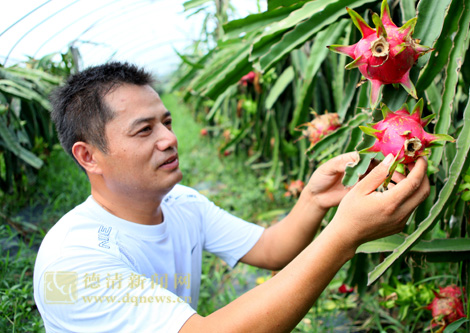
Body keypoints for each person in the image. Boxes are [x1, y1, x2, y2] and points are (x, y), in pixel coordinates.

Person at [33, 62, 430, 332]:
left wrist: (312, 199)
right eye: (144, 130)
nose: (170, 139)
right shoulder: (74, 261)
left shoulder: (180, 204)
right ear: (88, 156)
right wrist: (343, 236)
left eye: (167, 122)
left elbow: (272, 249)